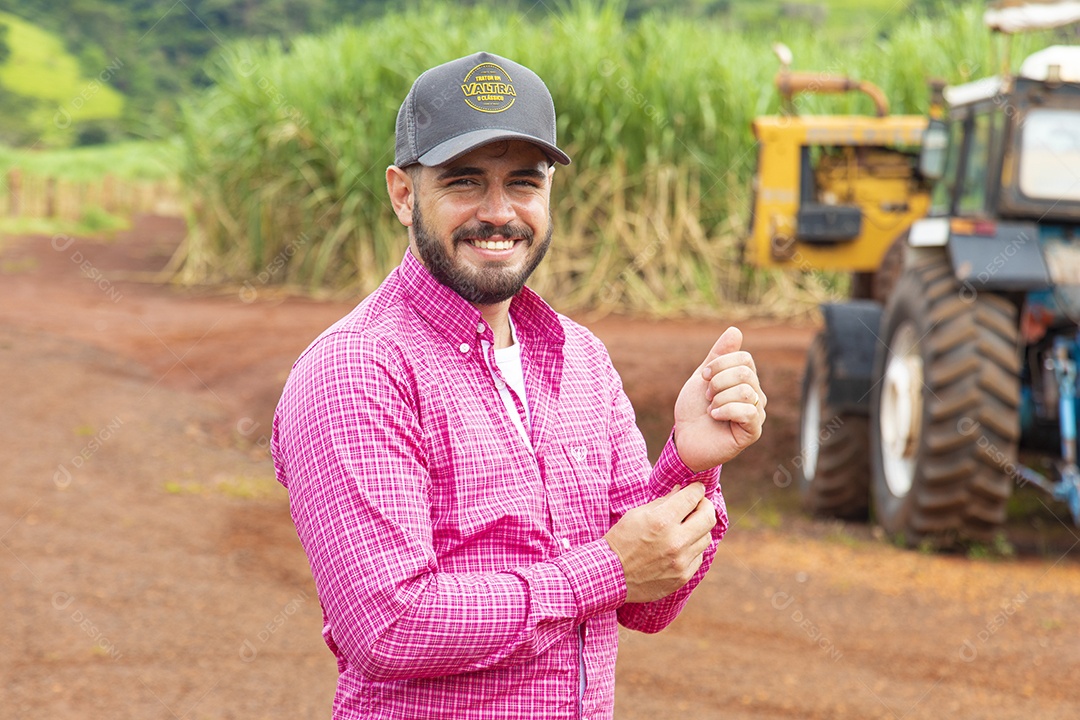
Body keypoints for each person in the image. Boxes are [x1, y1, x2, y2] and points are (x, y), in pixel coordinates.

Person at [271, 51, 766, 720]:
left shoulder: (582, 361)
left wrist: (692, 464)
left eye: (524, 183)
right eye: (465, 181)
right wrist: (603, 570)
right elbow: (388, 627)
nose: (499, 212)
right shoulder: (358, 370)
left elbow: (645, 603)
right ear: (402, 193)